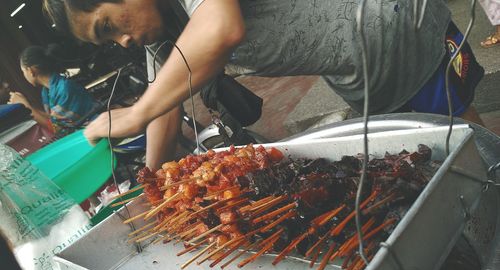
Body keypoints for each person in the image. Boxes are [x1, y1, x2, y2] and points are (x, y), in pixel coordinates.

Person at [42, 0, 485, 170]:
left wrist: (133, 114)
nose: (122, 40)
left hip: (392, 27)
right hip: (357, 66)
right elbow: (164, 105)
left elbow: (221, 26)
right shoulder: (166, 32)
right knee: (432, 159)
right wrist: (152, 179)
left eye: (107, 25)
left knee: (465, 145)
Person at [8, 45, 97, 138]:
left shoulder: (64, 89)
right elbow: (52, 119)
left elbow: (57, 129)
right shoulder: (46, 91)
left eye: (23, 71)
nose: (24, 75)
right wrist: (26, 105)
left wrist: (26, 106)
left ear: (31, 71)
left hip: (95, 133)